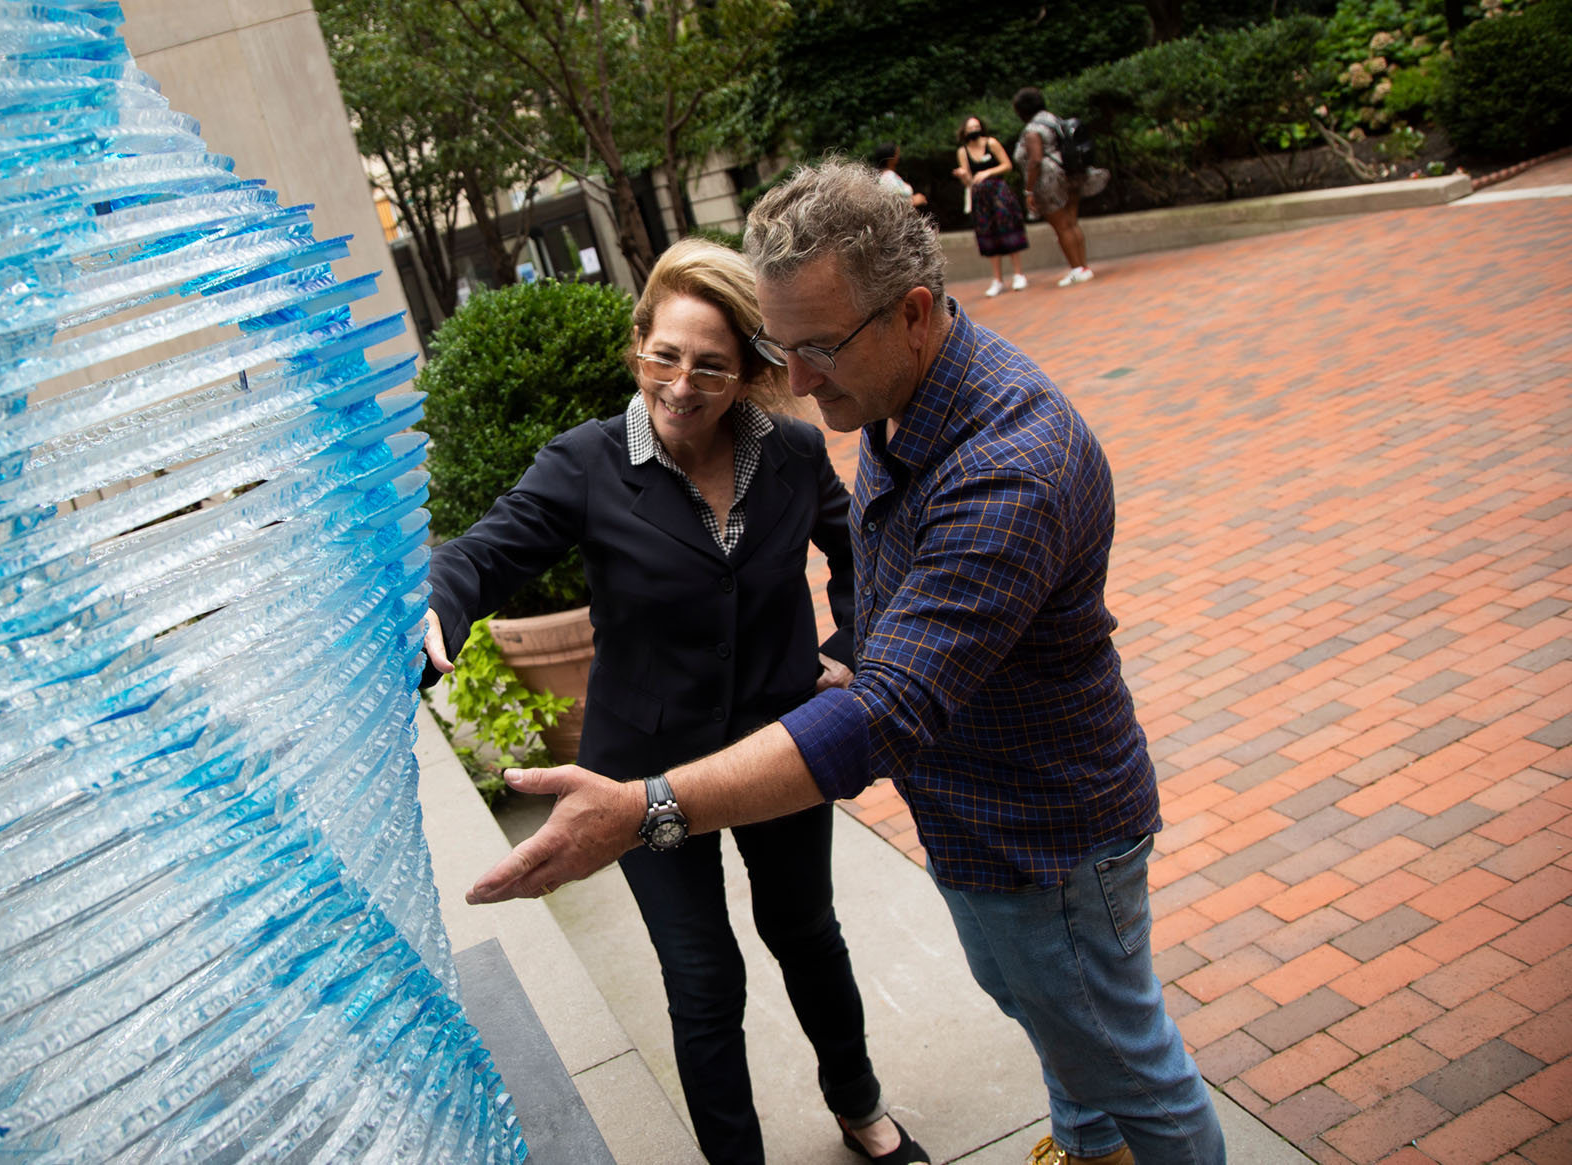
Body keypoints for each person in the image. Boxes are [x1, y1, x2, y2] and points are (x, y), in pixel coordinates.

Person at [467, 163, 1226, 1165]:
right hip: (970, 819)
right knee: (1055, 1024)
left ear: (913, 311)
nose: (801, 380)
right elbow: (871, 569)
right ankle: (1089, 1154)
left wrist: (647, 805)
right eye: (782, 349)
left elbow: (887, 709)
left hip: (1043, 832)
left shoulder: (1005, 465)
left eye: (814, 349)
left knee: (1126, 1061)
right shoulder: (898, 394)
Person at [423, 238, 928, 1165]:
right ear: (637, 345)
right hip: (638, 769)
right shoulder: (582, 464)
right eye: (664, 354)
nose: (682, 382)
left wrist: (850, 646)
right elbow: (482, 551)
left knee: (805, 932)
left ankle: (859, 1106)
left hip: (776, 750)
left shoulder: (795, 453)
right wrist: (437, 606)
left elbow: (864, 552)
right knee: (703, 977)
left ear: (746, 370)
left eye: (710, 364)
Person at [1013, 87, 1108, 288]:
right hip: (1070, 174)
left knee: (1061, 226)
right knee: (1072, 223)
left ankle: (1076, 269)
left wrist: (1029, 190)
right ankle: (1083, 267)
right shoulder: (1053, 119)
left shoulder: (1032, 130)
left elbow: (1035, 161)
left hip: (1049, 181)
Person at [951, 115, 1029, 297]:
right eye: (969, 128)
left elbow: (1007, 165)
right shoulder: (962, 152)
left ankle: (1018, 274)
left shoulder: (991, 143)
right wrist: (963, 175)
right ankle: (998, 279)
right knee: (988, 233)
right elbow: (969, 180)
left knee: (1008, 228)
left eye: (976, 126)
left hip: (998, 192)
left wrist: (987, 172)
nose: (973, 130)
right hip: (980, 197)